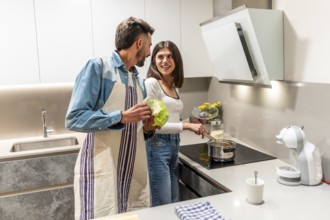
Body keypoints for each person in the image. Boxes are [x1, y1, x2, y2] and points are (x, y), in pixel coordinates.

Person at [65, 17, 157, 220]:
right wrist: (121, 117)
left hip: (131, 171)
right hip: (103, 169)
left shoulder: (138, 79)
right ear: (139, 44)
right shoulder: (99, 67)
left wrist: (148, 128)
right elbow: (74, 118)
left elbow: (137, 127)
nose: (150, 53)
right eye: (149, 46)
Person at [144, 40, 207, 206]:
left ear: (176, 60)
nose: (165, 61)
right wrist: (186, 126)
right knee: (162, 203)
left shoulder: (173, 85)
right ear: (154, 61)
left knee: (173, 200)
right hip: (157, 147)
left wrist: (189, 121)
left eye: (170, 56)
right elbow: (154, 126)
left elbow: (170, 118)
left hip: (174, 145)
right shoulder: (151, 83)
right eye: (160, 57)